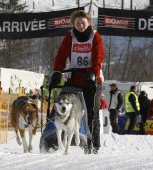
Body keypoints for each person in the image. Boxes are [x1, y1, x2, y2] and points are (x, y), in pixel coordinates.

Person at [53, 10, 104, 154]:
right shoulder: (69, 37)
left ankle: (93, 144)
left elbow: (98, 57)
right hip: (74, 76)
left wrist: (93, 72)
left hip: (92, 77)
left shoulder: (96, 37)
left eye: (83, 23)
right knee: (60, 103)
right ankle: (51, 140)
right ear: (73, 24)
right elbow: (61, 55)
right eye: (77, 23)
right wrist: (57, 72)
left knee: (91, 112)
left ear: (88, 23)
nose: (80, 26)